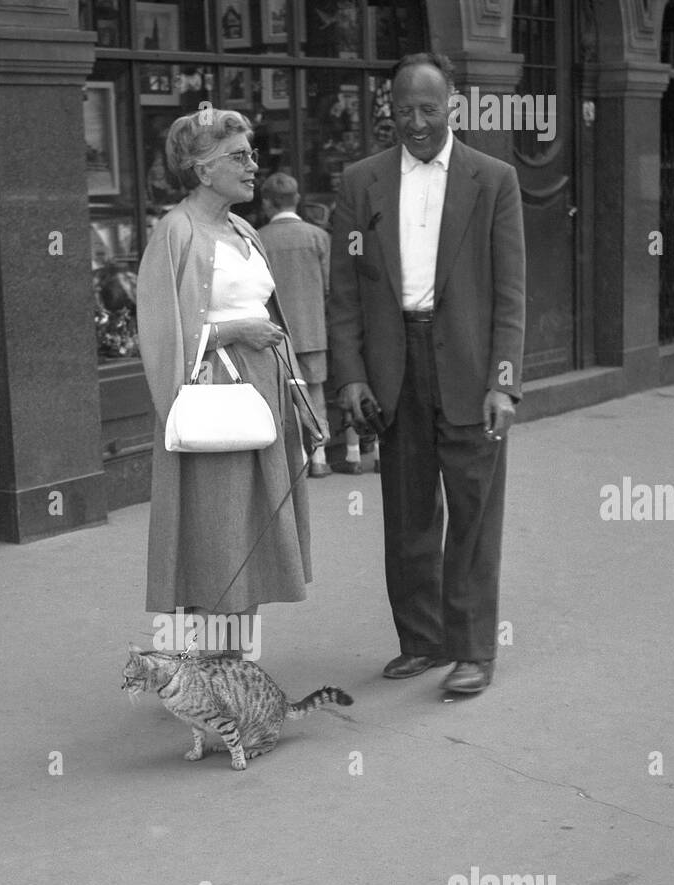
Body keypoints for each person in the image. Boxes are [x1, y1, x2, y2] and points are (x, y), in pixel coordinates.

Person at [328, 52, 526, 696]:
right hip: (394, 367)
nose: (415, 122)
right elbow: (345, 292)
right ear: (389, 109)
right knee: (407, 511)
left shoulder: (493, 180)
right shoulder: (360, 185)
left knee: (471, 512)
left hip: (469, 366)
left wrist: (504, 380)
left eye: (428, 109)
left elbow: (511, 294)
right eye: (403, 109)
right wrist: (351, 375)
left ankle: (473, 650)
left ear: (453, 108)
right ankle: (423, 639)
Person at [137, 109, 312, 655]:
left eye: (253, 153)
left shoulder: (242, 228)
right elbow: (162, 334)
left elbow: (273, 314)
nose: (253, 165)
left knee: (250, 538)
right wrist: (235, 330)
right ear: (201, 168)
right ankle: (214, 676)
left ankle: (230, 669)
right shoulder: (176, 231)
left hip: (263, 394)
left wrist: (299, 394)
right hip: (214, 399)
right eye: (239, 156)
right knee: (217, 542)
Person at [258, 172, 332, 476]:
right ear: (297, 199)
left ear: (266, 204)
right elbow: (329, 286)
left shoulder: (258, 237)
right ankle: (320, 458)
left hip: (273, 333)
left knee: (282, 394)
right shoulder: (318, 237)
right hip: (312, 329)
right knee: (314, 391)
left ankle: (297, 458)